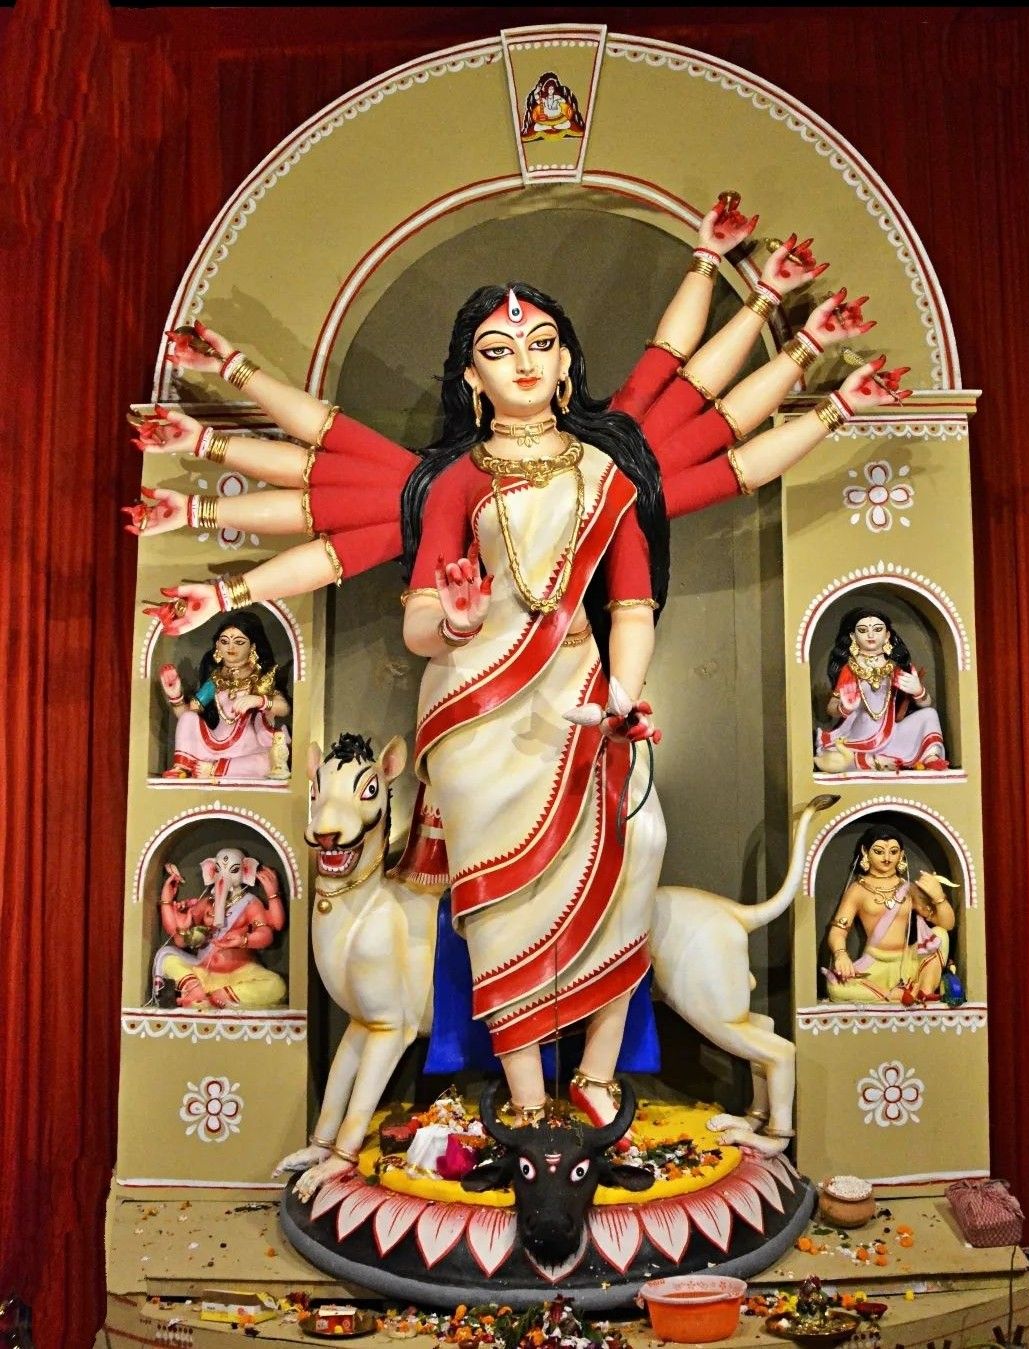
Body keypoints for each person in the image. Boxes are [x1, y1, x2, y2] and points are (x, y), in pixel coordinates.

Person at [132, 196, 909, 1126]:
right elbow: (420, 619)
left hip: (584, 697)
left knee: (637, 852)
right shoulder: (456, 479)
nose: (525, 361)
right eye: (498, 350)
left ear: (568, 361)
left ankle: (598, 1073)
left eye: (541, 343)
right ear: (471, 376)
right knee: (499, 902)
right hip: (475, 709)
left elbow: (631, 603)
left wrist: (622, 695)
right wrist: (455, 621)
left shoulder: (606, 471)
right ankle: (529, 1095)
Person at [824, 825, 957, 1004]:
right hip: (874, 965)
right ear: (865, 852)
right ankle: (897, 995)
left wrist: (939, 897)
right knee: (835, 988)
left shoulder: (908, 889)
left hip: (906, 963)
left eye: (893, 852)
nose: (887, 858)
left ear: (901, 855)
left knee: (940, 935)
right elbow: (838, 930)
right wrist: (841, 954)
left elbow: (947, 924)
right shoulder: (858, 890)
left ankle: (924, 991)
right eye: (879, 851)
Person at [156, 610, 290, 779]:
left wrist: (258, 700)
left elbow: (284, 708)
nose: (231, 647)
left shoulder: (259, 680)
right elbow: (187, 717)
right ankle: (182, 768)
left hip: (247, 751)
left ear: (252, 647)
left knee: (265, 764)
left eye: (239, 642)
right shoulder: (216, 681)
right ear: (217, 646)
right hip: (213, 747)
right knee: (189, 717)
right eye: (225, 641)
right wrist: (175, 696)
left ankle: (214, 769)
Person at [815, 608, 947, 772]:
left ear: (887, 635)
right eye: (863, 630)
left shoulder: (896, 668)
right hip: (860, 733)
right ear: (853, 636)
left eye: (877, 629)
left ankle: (931, 758)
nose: (870, 635)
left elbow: (925, 703)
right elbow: (832, 707)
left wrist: (918, 691)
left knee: (930, 714)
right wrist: (844, 708)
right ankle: (874, 761)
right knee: (839, 757)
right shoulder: (850, 669)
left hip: (893, 733)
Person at [153, 848, 287, 1008]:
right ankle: (195, 991)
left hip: (239, 974)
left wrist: (243, 940)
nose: (224, 876)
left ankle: (217, 996)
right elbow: (179, 940)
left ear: (246, 870)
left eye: (233, 870)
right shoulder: (206, 903)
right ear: (210, 870)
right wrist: (168, 902)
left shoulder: (250, 903)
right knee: (167, 957)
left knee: (276, 985)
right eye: (218, 869)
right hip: (203, 973)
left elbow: (266, 934)